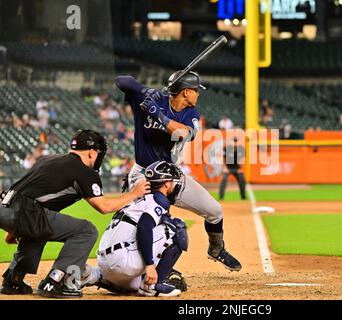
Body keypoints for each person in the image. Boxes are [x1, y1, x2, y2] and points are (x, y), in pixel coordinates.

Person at [115, 72, 242, 272]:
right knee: (153, 223)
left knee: (215, 211)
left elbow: (183, 133)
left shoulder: (191, 114)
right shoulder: (149, 100)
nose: (198, 95)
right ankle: (157, 268)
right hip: (144, 176)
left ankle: (217, 249)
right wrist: (144, 90)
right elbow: (122, 80)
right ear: (185, 92)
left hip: (172, 175)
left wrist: (158, 114)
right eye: (196, 91)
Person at [0, 129, 150, 298]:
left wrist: (14, 227)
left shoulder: (48, 160)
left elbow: (27, 191)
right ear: (92, 153)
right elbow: (104, 206)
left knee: (38, 229)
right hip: (26, 212)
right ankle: (58, 281)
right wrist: (134, 194)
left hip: (8, 205)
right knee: (86, 231)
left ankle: (13, 280)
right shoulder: (83, 170)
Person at [81, 161, 187, 297]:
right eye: (172, 181)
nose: (174, 184)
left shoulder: (136, 198)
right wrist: (149, 265)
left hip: (104, 263)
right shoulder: (158, 200)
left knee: (137, 285)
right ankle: (153, 286)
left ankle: (95, 276)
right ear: (166, 183)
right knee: (177, 227)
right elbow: (144, 227)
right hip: (123, 263)